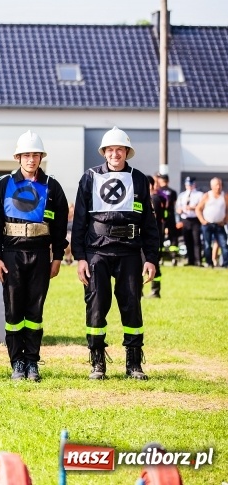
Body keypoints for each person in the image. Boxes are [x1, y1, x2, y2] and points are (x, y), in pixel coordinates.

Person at [71, 127, 159, 381]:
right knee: (96, 306)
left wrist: (151, 258)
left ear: (127, 152)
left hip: (129, 251)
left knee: (132, 306)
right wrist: (80, 257)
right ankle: (97, 361)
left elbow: (149, 222)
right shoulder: (89, 178)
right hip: (97, 251)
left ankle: (134, 363)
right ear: (104, 152)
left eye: (119, 149)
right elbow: (79, 221)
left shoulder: (139, 179)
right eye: (110, 149)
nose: (115, 154)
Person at [0, 131, 68, 382]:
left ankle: (32, 362)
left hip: (39, 254)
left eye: (35, 155)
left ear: (41, 157)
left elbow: (59, 226)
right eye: (26, 155)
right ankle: (17, 363)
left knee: (35, 311)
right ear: (18, 157)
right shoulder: (4, 184)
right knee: (14, 311)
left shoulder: (52, 186)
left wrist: (57, 257)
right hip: (11, 254)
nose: (31, 159)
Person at [195, 177, 228, 268]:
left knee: (224, 244)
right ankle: (209, 263)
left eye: (220, 185)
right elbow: (198, 209)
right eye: (216, 185)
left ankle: (226, 264)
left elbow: (227, 210)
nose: (218, 187)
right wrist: (202, 220)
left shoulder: (224, 196)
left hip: (219, 225)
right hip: (208, 224)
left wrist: (225, 220)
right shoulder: (207, 196)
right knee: (207, 244)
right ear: (212, 186)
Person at [143, 175, 165, 299]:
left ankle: (155, 290)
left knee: (153, 263)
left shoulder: (154, 199)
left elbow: (153, 221)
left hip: (152, 238)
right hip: (144, 237)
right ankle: (139, 291)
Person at [176, 177, 204, 266]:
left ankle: (198, 260)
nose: (189, 186)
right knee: (187, 240)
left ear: (194, 184)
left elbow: (202, 207)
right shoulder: (182, 195)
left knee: (196, 240)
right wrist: (179, 211)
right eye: (187, 184)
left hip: (195, 219)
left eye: (191, 184)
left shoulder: (199, 194)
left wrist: (192, 208)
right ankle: (190, 260)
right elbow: (177, 207)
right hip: (185, 219)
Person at [155, 174, 180, 264]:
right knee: (173, 236)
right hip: (171, 216)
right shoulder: (172, 192)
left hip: (161, 217)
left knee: (160, 236)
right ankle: (174, 257)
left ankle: (159, 257)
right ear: (168, 181)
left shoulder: (158, 192)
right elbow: (174, 204)